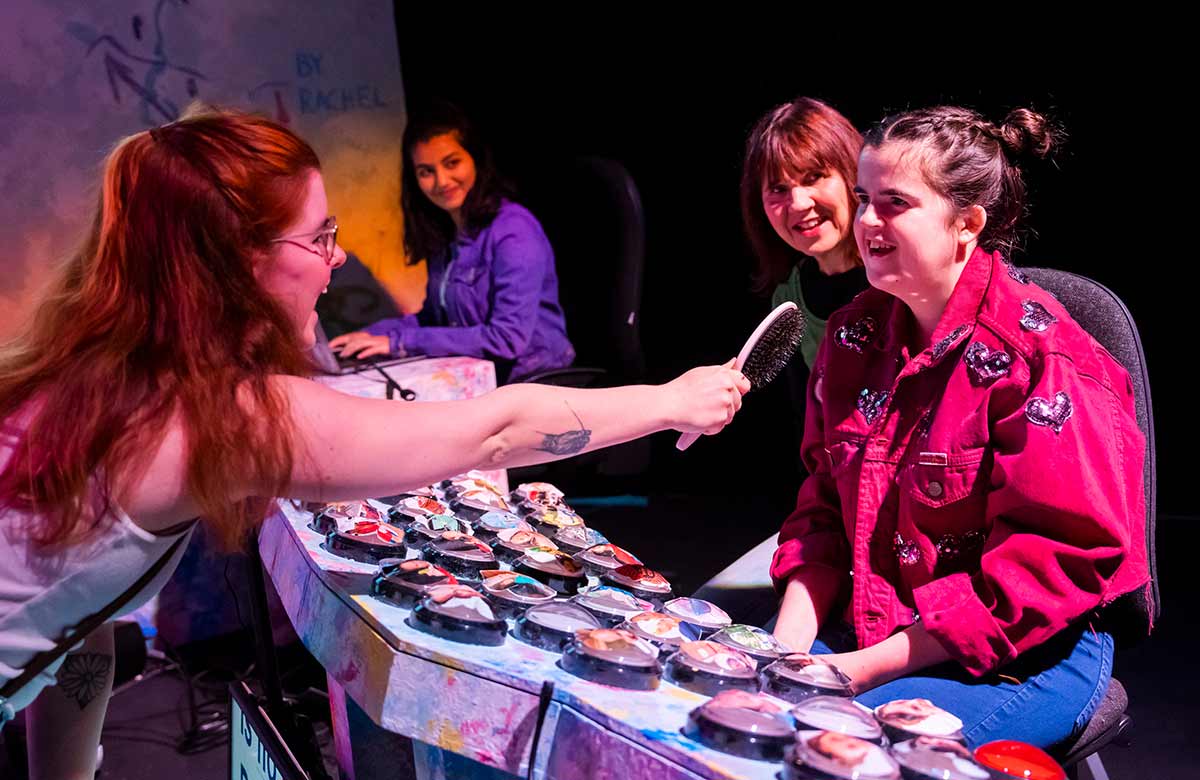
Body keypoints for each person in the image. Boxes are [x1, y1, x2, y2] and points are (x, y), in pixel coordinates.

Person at [0, 106, 749, 778]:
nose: (335, 257)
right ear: (235, 264)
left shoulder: (88, 371)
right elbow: (494, 433)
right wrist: (671, 399)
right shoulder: (222, 418)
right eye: (320, 236)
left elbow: (79, 632)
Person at [769, 105, 1148, 748]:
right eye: (863, 199)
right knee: (725, 706)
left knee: (837, 750)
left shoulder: (1042, 358)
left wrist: (852, 672)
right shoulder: (852, 336)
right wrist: (778, 656)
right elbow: (823, 514)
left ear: (967, 223)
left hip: (1024, 654)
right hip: (877, 623)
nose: (865, 222)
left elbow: (1054, 566)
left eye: (894, 203)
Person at [330, 101, 574, 382]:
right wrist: (374, 334)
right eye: (426, 172)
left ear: (476, 160)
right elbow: (435, 319)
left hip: (535, 381)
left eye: (452, 163)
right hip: (479, 380)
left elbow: (507, 339)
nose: (441, 181)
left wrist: (400, 342)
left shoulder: (514, 232)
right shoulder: (446, 234)